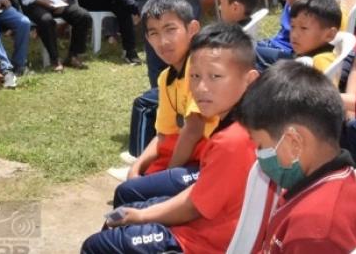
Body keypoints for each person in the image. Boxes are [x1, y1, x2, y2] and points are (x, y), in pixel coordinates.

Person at [81, 24, 259, 254]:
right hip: (206, 224)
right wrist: (140, 213)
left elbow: (194, 207)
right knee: (124, 213)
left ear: (249, 79)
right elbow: (202, 190)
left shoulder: (232, 140)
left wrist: (143, 216)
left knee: (97, 246)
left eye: (215, 76)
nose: (201, 87)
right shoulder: (239, 120)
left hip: (201, 242)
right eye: (194, 76)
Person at [238, 62, 356, 254]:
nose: (259, 156)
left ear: (294, 142)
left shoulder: (314, 232)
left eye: (261, 146)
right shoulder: (331, 183)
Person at [115, 0, 207, 207]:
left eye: (170, 29)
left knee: (129, 194)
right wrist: (136, 166)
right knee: (132, 188)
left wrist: (165, 175)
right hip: (184, 158)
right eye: (154, 33)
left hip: (208, 162)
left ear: (192, 29)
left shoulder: (201, 68)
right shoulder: (166, 77)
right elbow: (164, 134)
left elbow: (193, 129)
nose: (163, 41)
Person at [255, 0, 322, 71]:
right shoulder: (292, 4)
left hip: (292, 57)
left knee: (248, 53)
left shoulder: (313, 13)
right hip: (276, 45)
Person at [288, 0, 343, 79]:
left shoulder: (320, 64)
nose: (294, 35)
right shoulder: (305, 53)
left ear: (330, 35)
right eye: (292, 26)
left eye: (304, 28)